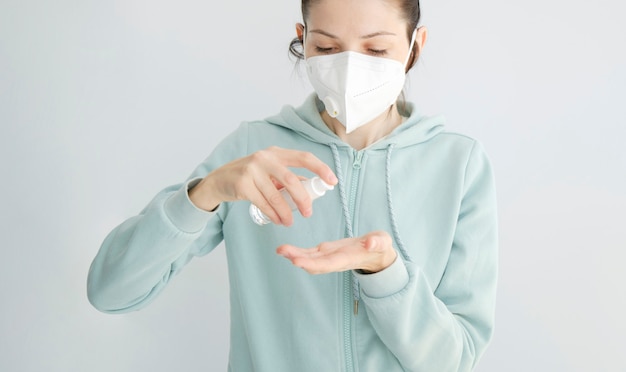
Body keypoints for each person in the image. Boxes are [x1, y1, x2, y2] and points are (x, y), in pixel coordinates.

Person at [87, 0, 498, 371]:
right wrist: (205, 193)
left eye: (375, 50)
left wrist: (385, 273)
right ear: (302, 40)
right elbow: (111, 292)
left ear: (415, 45)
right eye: (326, 48)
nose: (351, 67)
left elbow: (454, 361)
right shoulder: (253, 150)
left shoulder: (459, 164)